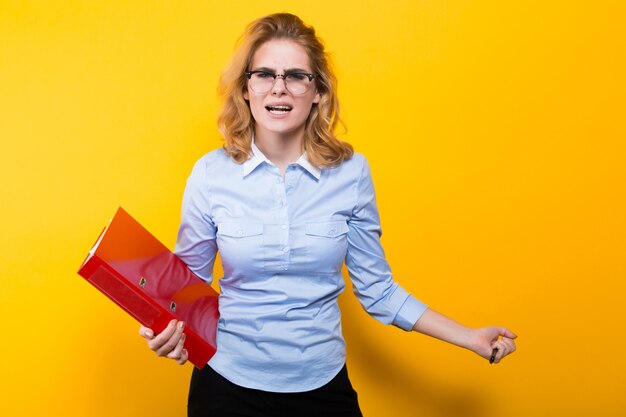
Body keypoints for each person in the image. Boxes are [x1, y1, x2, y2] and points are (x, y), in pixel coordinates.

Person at [139, 13, 517, 417]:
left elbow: (379, 291)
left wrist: (470, 338)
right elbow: (187, 288)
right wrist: (162, 329)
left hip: (321, 386)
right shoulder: (210, 173)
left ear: (317, 91)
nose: (279, 88)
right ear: (246, 88)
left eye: (296, 76)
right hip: (226, 387)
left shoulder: (351, 173)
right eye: (264, 74)